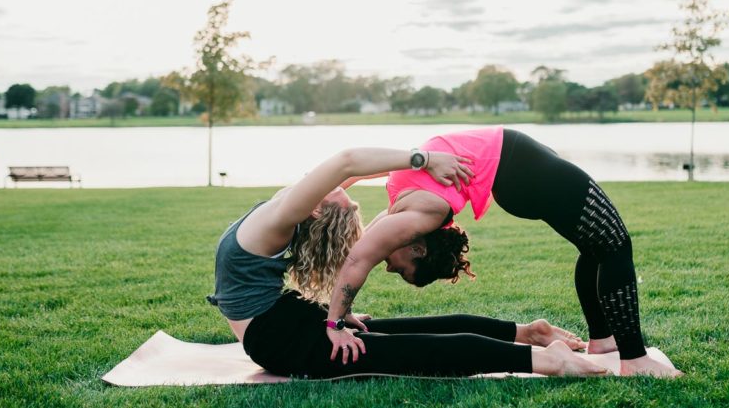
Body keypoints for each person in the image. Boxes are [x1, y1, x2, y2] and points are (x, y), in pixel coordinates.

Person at [206, 144, 608, 379]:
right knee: (407, 351)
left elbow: (350, 174)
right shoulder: (282, 217)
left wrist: (336, 320)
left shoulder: (289, 208)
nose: (341, 190)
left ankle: (526, 333)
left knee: (406, 331)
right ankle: (546, 361)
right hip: (275, 339)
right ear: (314, 210)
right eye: (341, 197)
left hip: (283, 319)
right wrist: (423, 158)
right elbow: (346, 162)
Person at [324, 127, 682, 378]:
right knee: (616, 247)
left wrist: (334, 184)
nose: (389, 269)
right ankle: (634, 359)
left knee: (596, 247)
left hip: (519, 170)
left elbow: (357, 254)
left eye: (400, 271)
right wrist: (335, 321)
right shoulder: (415, 218)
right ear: (418, 246)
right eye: (400, 270)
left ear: (417, 248)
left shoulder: (402, 212)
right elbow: (361, 260)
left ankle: (603, 344)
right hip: (522, 168)